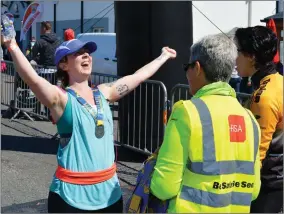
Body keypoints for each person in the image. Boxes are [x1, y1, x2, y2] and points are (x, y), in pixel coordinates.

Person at [2, 23, 176, 212]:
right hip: (71, 198)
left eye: (87, 52)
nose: (86, 55)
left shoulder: (104, 93)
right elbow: (33, 79)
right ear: (63, 64)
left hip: (109, 194)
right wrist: (12, 45)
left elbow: (137, 77)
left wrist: (163, 56)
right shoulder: (61, 99)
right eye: (78, 53)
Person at [150, 33, 261, 213]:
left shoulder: (186, 112)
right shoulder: (249, 119)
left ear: (198, 68)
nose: (186, 73)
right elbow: (253, 190)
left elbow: (164, 187)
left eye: (187, 67)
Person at [234, 26, 283, 213]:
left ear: (252, 57)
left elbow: (258, 153)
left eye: (237, 51)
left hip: (267, 184)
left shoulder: (264, 96)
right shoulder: (277, 80)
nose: (234, 58)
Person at [31, 21, 61, 116]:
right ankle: (50, 113)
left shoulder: (41, 41)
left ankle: (37, 111)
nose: (40, 30)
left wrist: (36, 58)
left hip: (43, 70)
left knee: (40, 91)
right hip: (55, 70)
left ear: (44, 28)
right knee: (52, 93)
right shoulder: (58, 41)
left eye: (41, 28)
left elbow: (32, 55)